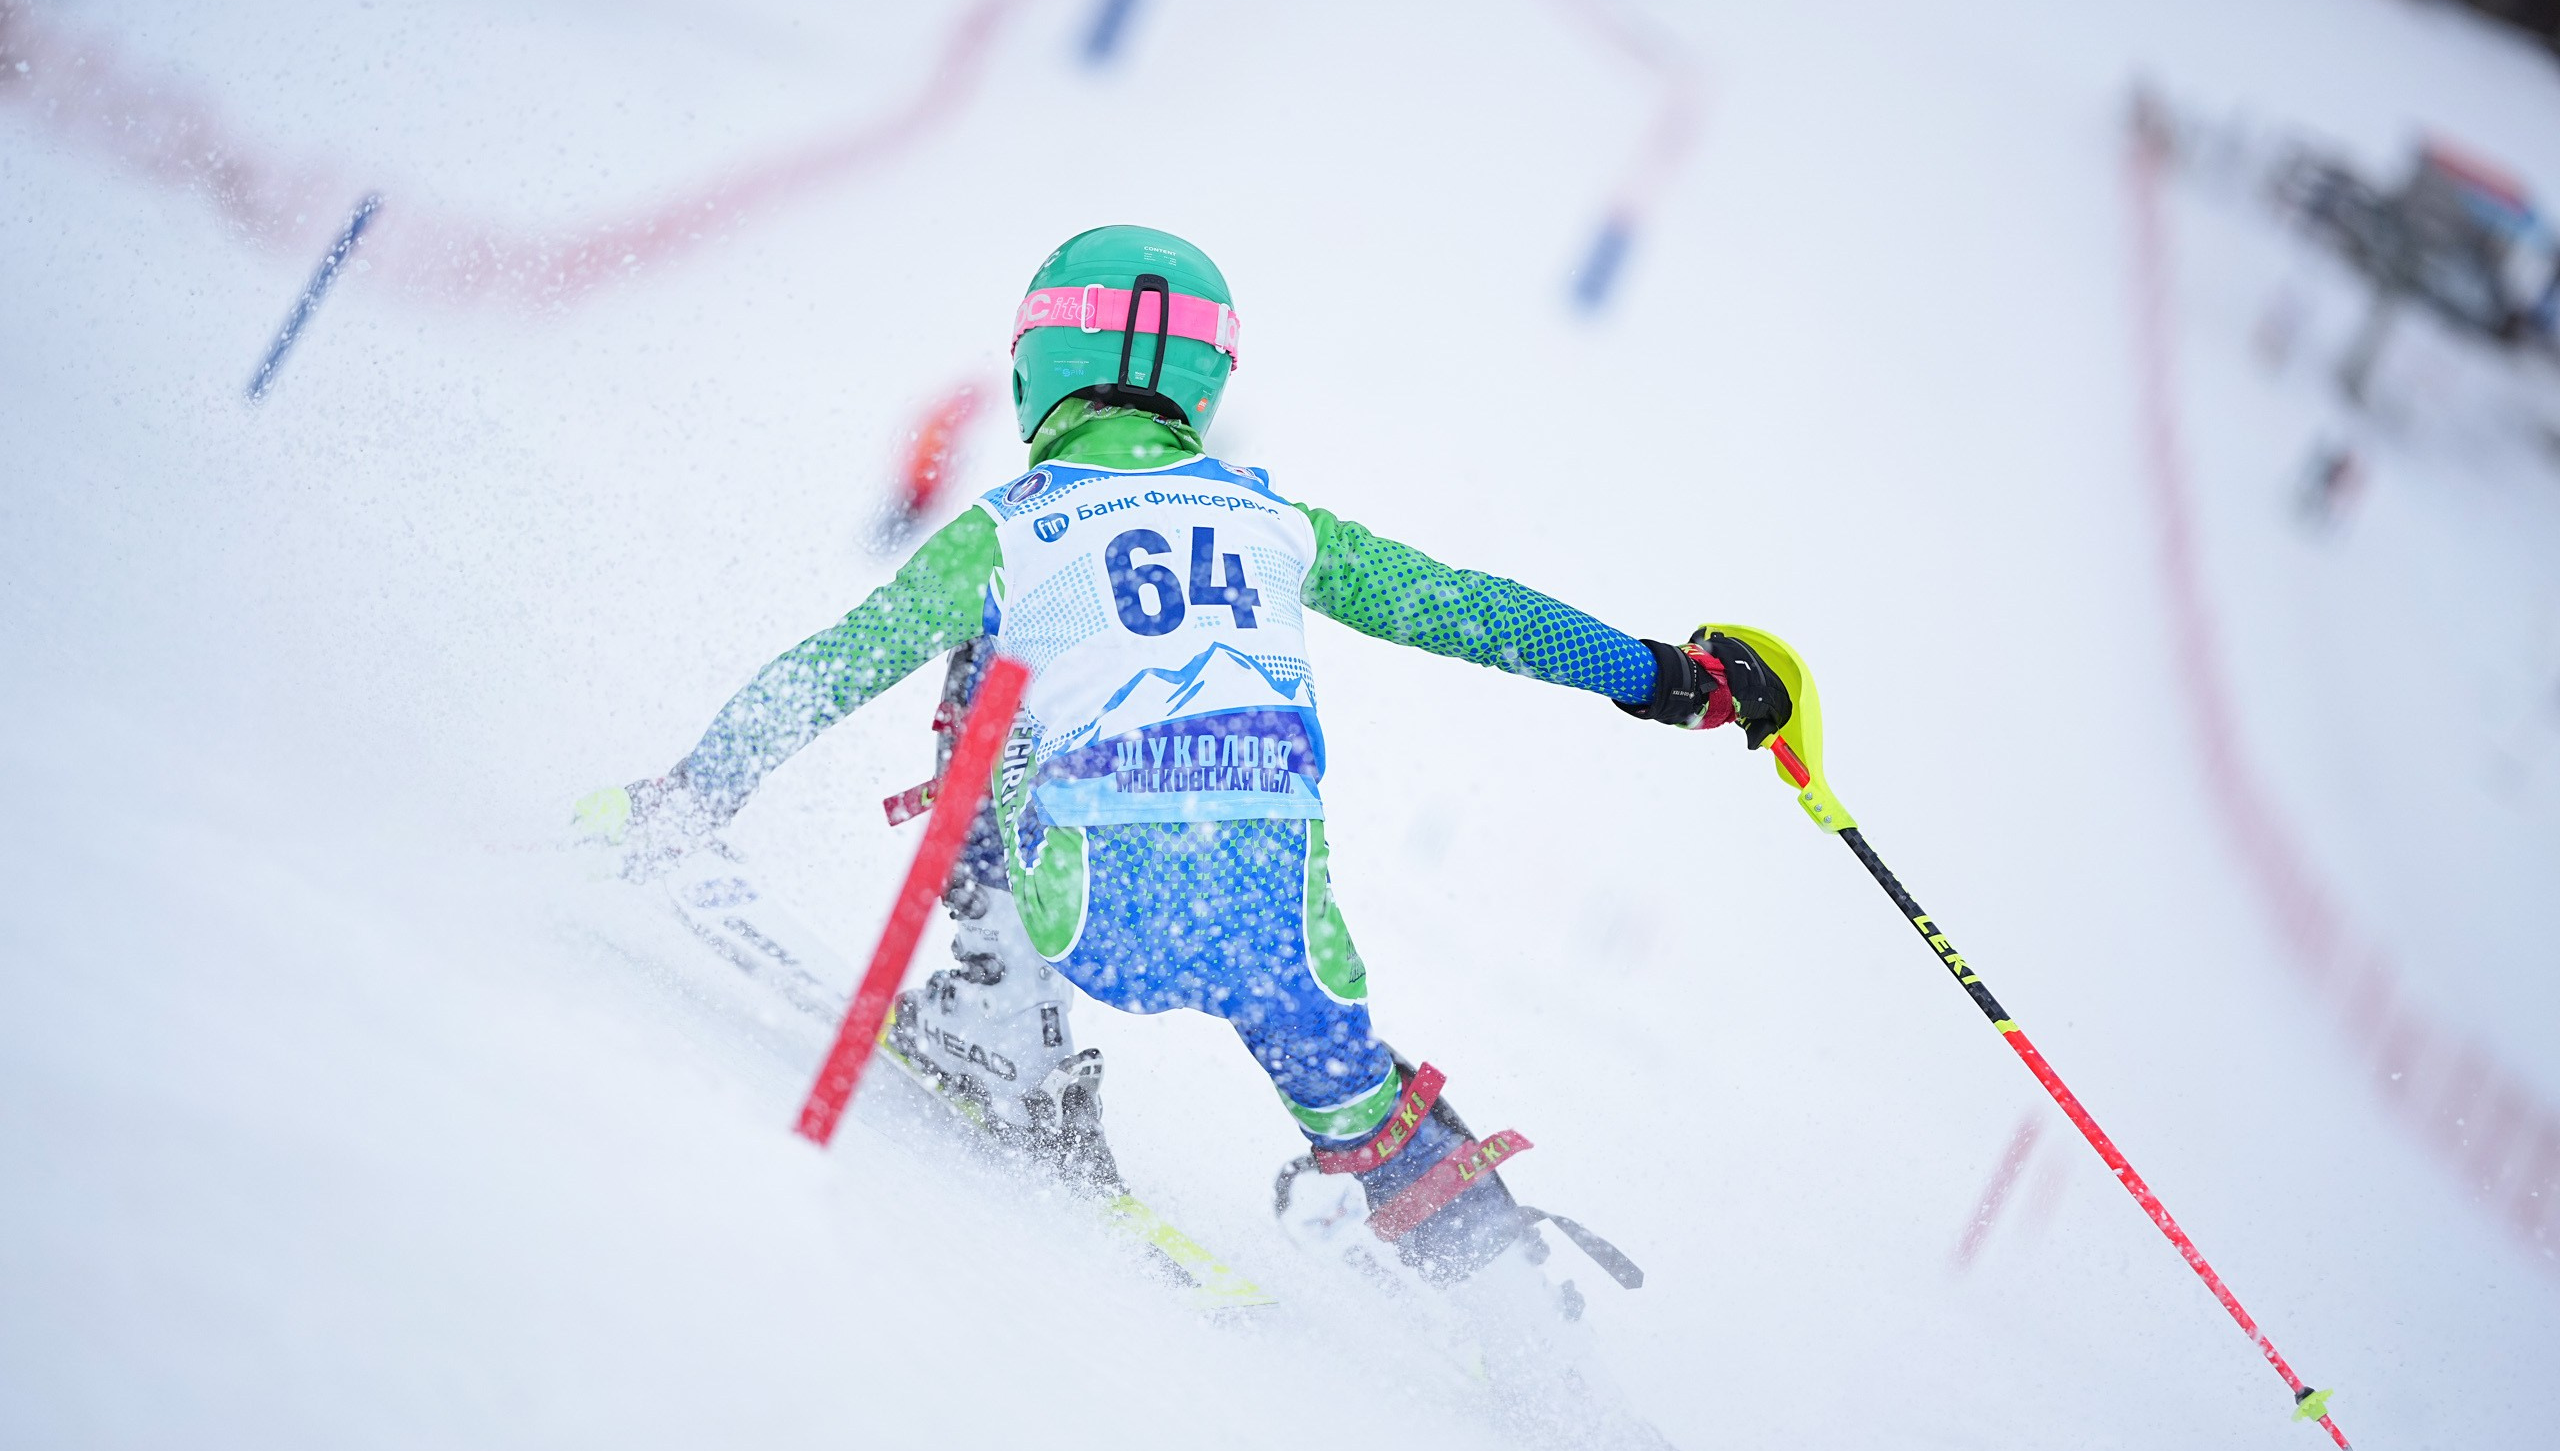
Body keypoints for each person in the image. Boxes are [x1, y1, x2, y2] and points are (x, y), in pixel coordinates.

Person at [578, 225, 1789, 1286]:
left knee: (994, 666)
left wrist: (692, 794)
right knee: (1362, 1096)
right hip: (1277, 932)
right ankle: (1514, 1306)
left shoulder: (1008, 532)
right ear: (1206, 379)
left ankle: (1002, 1023)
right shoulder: (1282, 524)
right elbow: (1471, 609)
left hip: (1095, 905)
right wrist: (1667, 678)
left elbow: (832, 667)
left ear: (1039, 363)